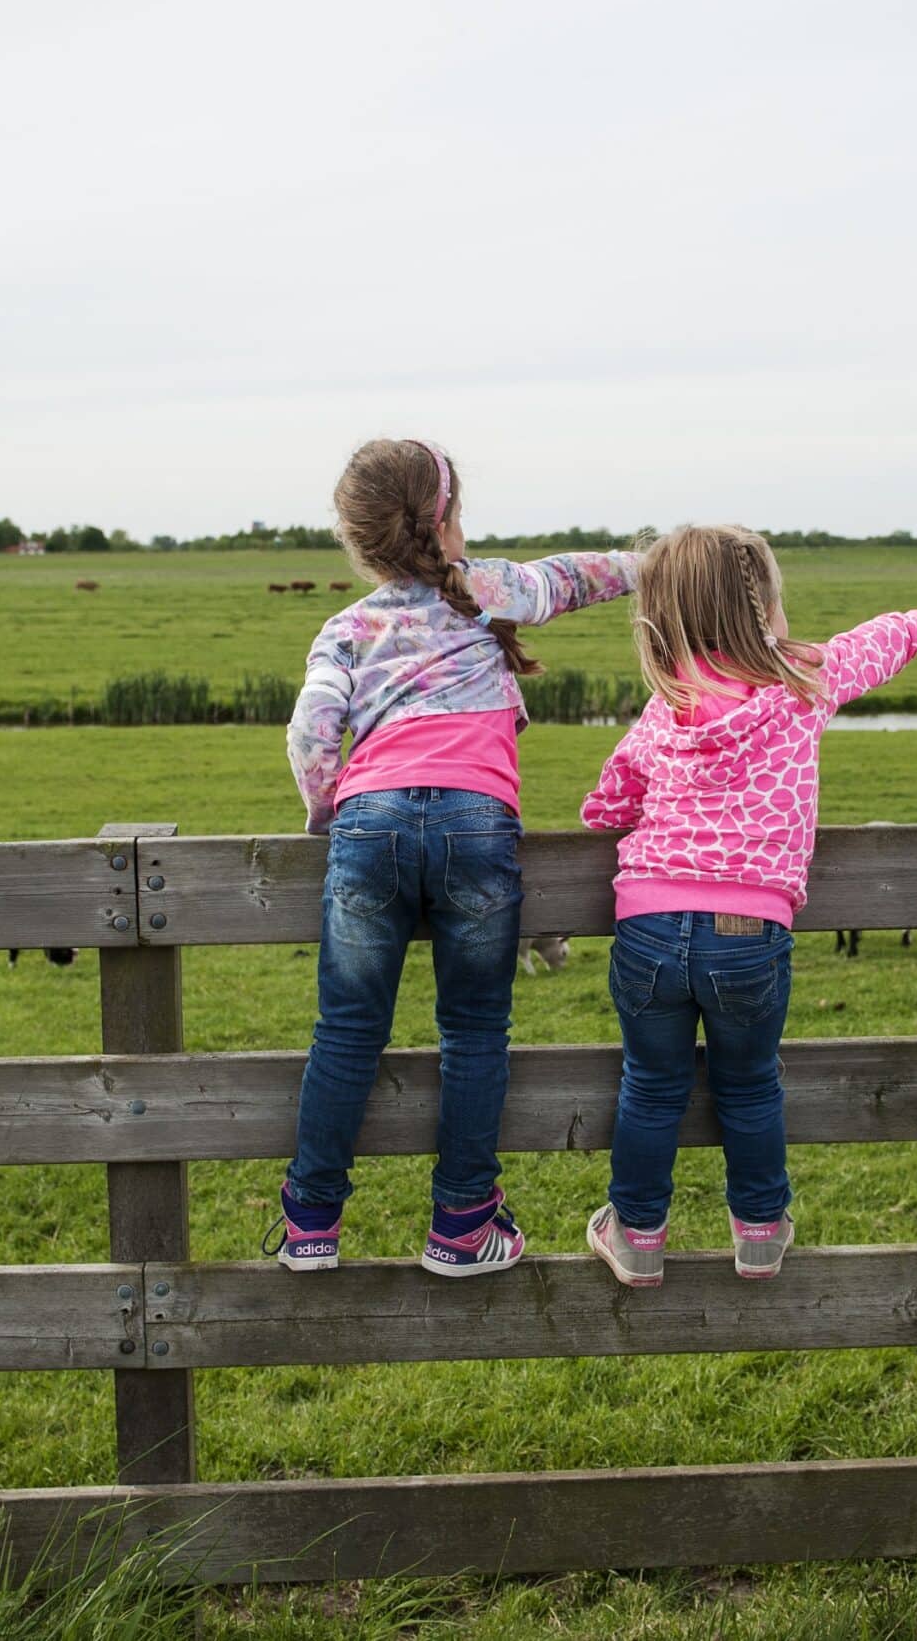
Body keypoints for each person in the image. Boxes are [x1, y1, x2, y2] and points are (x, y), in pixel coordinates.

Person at [270, 438, 640, 1276]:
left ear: (358, 538)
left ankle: (310, 1227)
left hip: (371, 828)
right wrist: (650, 563)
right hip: (478, 825)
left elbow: (311, 733)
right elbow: (573, 578)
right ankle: (463, 1225)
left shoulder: (345, 629)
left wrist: (330, 811)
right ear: (447, 519)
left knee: (347, 1030)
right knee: (475, 1031)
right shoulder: (488, 587)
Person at [579, 524, 917, 1285]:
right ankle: (758, 1231)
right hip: (750, 929)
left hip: (648, 923)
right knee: (749, 1083)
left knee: (651, 1085)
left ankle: (638, 1236)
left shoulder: (668, 705)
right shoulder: (802, 684)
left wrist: (613, 814)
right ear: (765, 606)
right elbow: (871, 645)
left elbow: (609, 799)